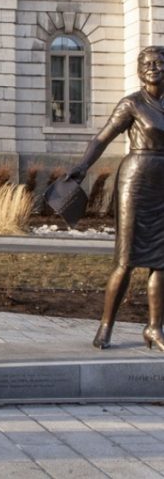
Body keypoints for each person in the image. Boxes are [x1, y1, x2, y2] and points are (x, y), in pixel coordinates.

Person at [67, 45, 164, 351]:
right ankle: (106, 326)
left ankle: (154, 328)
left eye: (160, 63)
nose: (154, 67)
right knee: (125, 260)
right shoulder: (132, 104)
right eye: (147, 63)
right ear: (139, 70)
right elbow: (102, 138)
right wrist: (83, 167)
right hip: (136, 181)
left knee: (162, 262)